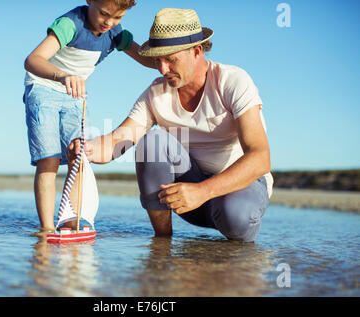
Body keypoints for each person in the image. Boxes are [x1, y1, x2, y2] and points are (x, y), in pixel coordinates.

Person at [70, 8, 274, 242]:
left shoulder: (232, 81)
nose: (162, 69)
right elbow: (118, 140)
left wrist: (203, 191)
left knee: (234, 214)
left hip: (239, 193)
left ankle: (236, 254)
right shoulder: (156, 93)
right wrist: (86, 148)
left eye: (170, 59)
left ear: (197, 51)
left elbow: (260, 157)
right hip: (188, 197)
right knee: (152, 142)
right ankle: (162, 244)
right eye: (157, 59)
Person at [23, 0, 155, 231]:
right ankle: (46, 230)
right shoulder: (70, 24)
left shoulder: (115, 34)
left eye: (117, 18)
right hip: (44, 88)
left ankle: (71, 223)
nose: (109, 22)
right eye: (104, 13)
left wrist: (171, 62)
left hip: (75, 95)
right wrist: (62, 76)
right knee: (49, 159)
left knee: (78, 156)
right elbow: (32, 60)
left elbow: (145, 58)